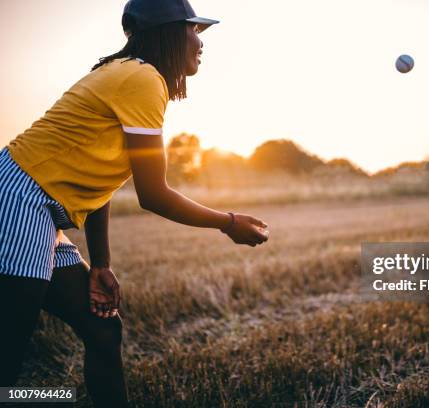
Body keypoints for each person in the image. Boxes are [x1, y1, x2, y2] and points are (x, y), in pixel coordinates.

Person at [0, 0, 269, 406]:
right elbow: (154, 194)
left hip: (37, 210)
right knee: (9, 356)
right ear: (169, 32)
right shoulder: (143, 80)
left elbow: (98, 182)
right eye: (194, 29)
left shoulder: (128, 76)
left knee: (103, 330)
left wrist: (102, 264)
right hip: (18, 202)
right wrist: (228, 222)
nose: (201, 41)